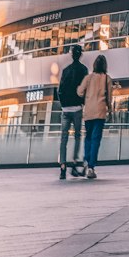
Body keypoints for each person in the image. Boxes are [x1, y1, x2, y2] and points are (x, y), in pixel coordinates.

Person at [54, 42, 88, 180]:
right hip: (77, 108)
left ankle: (62, 165)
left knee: (63, 138)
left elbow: (60, 90)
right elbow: (84, 89)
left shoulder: (66, 70)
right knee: (78, 136)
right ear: (81, 55)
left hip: (66, 108)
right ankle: (74, 163)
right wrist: (82, 102)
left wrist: (63, 104)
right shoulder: (84, 70)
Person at [78, 53, 113, 179]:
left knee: (88, 137)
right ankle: (91, 167)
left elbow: (80, 91)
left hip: (89, 112)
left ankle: (86, 161)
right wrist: (110, 110)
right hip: (100, 112)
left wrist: (87, 96)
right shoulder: (107, 79)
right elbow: (109, 98)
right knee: (96, 140)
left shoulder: (88, 78)